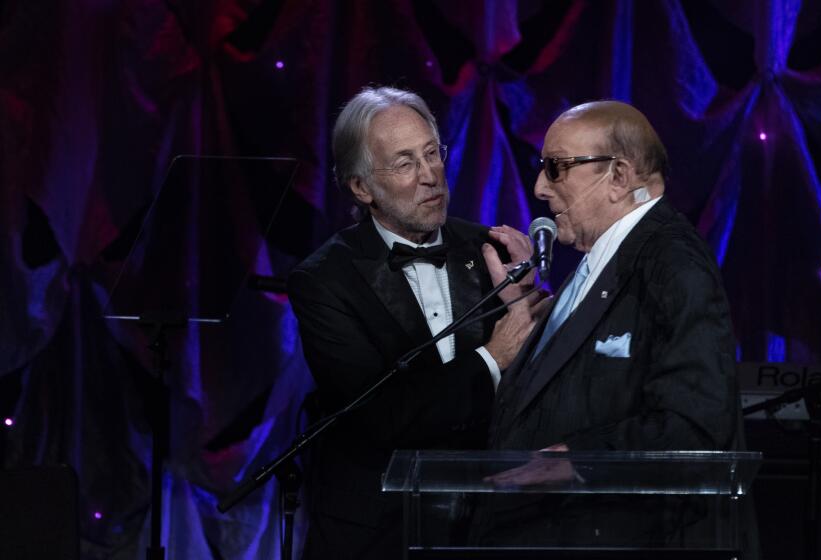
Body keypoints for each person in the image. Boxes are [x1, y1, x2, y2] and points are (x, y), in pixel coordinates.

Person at [483, 100, 755, 554]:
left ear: (619, 176)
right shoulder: (604, 257)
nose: (539, 188)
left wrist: (580, 461)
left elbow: (696, 425)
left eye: (556, 168)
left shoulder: (673, 262)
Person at [287, 86, 541, 559]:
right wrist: (492, 358)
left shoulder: (492, 252)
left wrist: (528, 305)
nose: (431, 177)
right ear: (361, 188)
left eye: (432, 154)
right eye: (405, 164)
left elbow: (537, 395)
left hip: (483, 522)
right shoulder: (325, 280)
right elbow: (381, 416)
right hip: (377, 531)